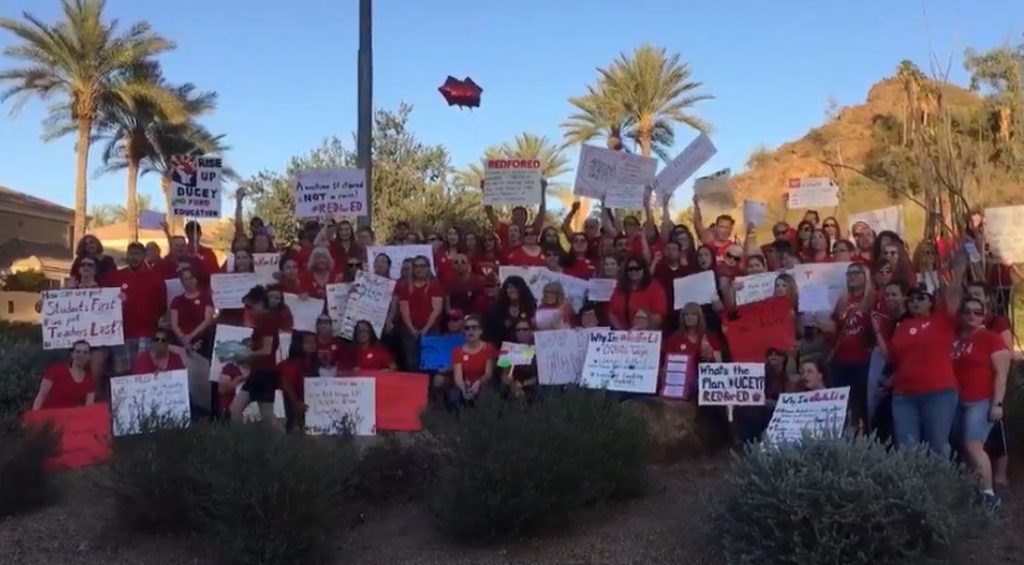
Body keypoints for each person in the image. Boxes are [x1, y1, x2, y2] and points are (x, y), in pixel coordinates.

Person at [888, 255, 965, 455]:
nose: (915, 302)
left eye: (921, 298)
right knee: (906, 448)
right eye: (911, 298)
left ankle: (943, 486)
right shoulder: (902, 326)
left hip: (938, 392)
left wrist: (958, 270)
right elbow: (897, 358)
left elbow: (954, 294)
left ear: (931, 301)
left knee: (938, 445)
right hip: (904, 395)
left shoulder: (942, 320)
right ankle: (913, 487)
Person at [952, 297, 1011, 510]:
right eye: (967, 311)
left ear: (984, 314)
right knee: (963, 448)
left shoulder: (991, 338)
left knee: (974, 445)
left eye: (977, 312)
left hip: (981, 401)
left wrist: (998, 403)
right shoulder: (955, 339)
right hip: (957, 401)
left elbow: (1001, 374)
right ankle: (970, 490)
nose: (972, 315)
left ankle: (989, 495)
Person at [106, 242, 167, 375]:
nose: (134, 257)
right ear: (127, 255)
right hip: (121, 334)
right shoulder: (115, 277)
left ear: (144, 255)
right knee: (122, 374)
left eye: (138, 254)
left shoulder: (155, 278)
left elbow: (162, 305)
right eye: (132, 254)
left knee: (142, 371)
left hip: (145, 334)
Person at [830, 263, 875, 429]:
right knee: (843, 407)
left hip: (863, 360)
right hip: (841, 360)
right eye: (849, 274)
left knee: (863, 405)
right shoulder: (842, 300)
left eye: (857, 273)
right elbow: (835, 329)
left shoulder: (873, 298)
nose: (852, 277)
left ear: (866, 276)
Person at [228, 286, 282, 428]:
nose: (248, 310)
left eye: (249, 306)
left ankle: (241, 442)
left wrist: (245, 356)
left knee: (265, 416)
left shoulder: (267, 321)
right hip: (260, 372)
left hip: (265, 372)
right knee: (264, 415)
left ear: (259, 303)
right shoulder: (262, 322)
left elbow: (266, 350)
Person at [662, 303, 722, 401]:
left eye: (693, 315)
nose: (689, 318)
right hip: (681, 381)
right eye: (686, 315)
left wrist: (709, 355)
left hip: (702, 381)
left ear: (699, 317)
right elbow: (668, 365)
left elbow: (719, 364)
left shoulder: (710, 337)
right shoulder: (674, 338)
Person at [396, 255, 445, 370]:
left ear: (428, 268)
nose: (419, 269)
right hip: (409, 331)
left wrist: (426, 329)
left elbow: (436, 310)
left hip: (431, 329)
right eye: (416, 266)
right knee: (412, 362)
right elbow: (404, 310)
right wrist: (412, 329)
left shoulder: (435, 285)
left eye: (423, 266)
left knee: (430, 362)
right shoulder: (405, 287)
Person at [448, 315, 496, 408]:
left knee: (484, 397)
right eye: (467, 328)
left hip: (484, 383)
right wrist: (464, 389)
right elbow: (458, 377)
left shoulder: (488, 347)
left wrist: (478, 383)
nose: (471, 331)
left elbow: (488, 374)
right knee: (454, 396)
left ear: (480, 331)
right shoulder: (458, 351)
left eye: (474, 328)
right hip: (466, 383)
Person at [608, 256, 667, 331]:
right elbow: (611, 312)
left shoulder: (654, 287)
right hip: (621, 335)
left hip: (646, 335)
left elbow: (659, 315)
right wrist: (621, 330)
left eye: (637, 268)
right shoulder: (620, 288)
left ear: (644, 269)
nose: (634, 271)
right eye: (630, 269)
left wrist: (642, 331)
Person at [32, 340, 95, 410]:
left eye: (85, 352)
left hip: (72, 417)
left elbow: (89, 405)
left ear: (89, 356)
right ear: (72, 354)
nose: (81, 355)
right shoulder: (56, 370)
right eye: (78, 351)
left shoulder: (89, 378)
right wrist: (34, 416)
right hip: (49, 416)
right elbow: (41, 395)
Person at [170, 268, 215, 357]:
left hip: (202, 340)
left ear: (196, 279)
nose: (189, 281)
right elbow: (174, 324)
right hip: (182, 342)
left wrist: (191, 336)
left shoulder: (206, 297)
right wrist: (183, 338)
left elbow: (207, 320)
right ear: (182, 282)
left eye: (191, 278)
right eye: (186, 279)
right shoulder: (177, 300)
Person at [279, 331, 317, 432]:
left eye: (314, 342)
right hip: (293, 404)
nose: (312, 345)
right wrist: (296, 402)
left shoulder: (314, 362)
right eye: (308, 342)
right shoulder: (290, 364)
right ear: (299, 344)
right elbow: (286, 385)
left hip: (310, 407)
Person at [483, 275, 536, 344]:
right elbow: (490, 333)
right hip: (502, 347)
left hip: (527, 348)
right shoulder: (496, 309)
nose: (513, 290)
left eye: (516, 287)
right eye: (510, 287)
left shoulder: (530, 308)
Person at [501, 319, 540, 401]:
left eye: (525, 329)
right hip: (513, 386)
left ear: (531, 331)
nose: (521, 332)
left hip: (533, 386)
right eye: (518, 330)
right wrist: (509, 381)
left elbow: (541, 376)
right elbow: (504, 373)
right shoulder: (508, 349)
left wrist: (522, 384)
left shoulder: (539, 349)